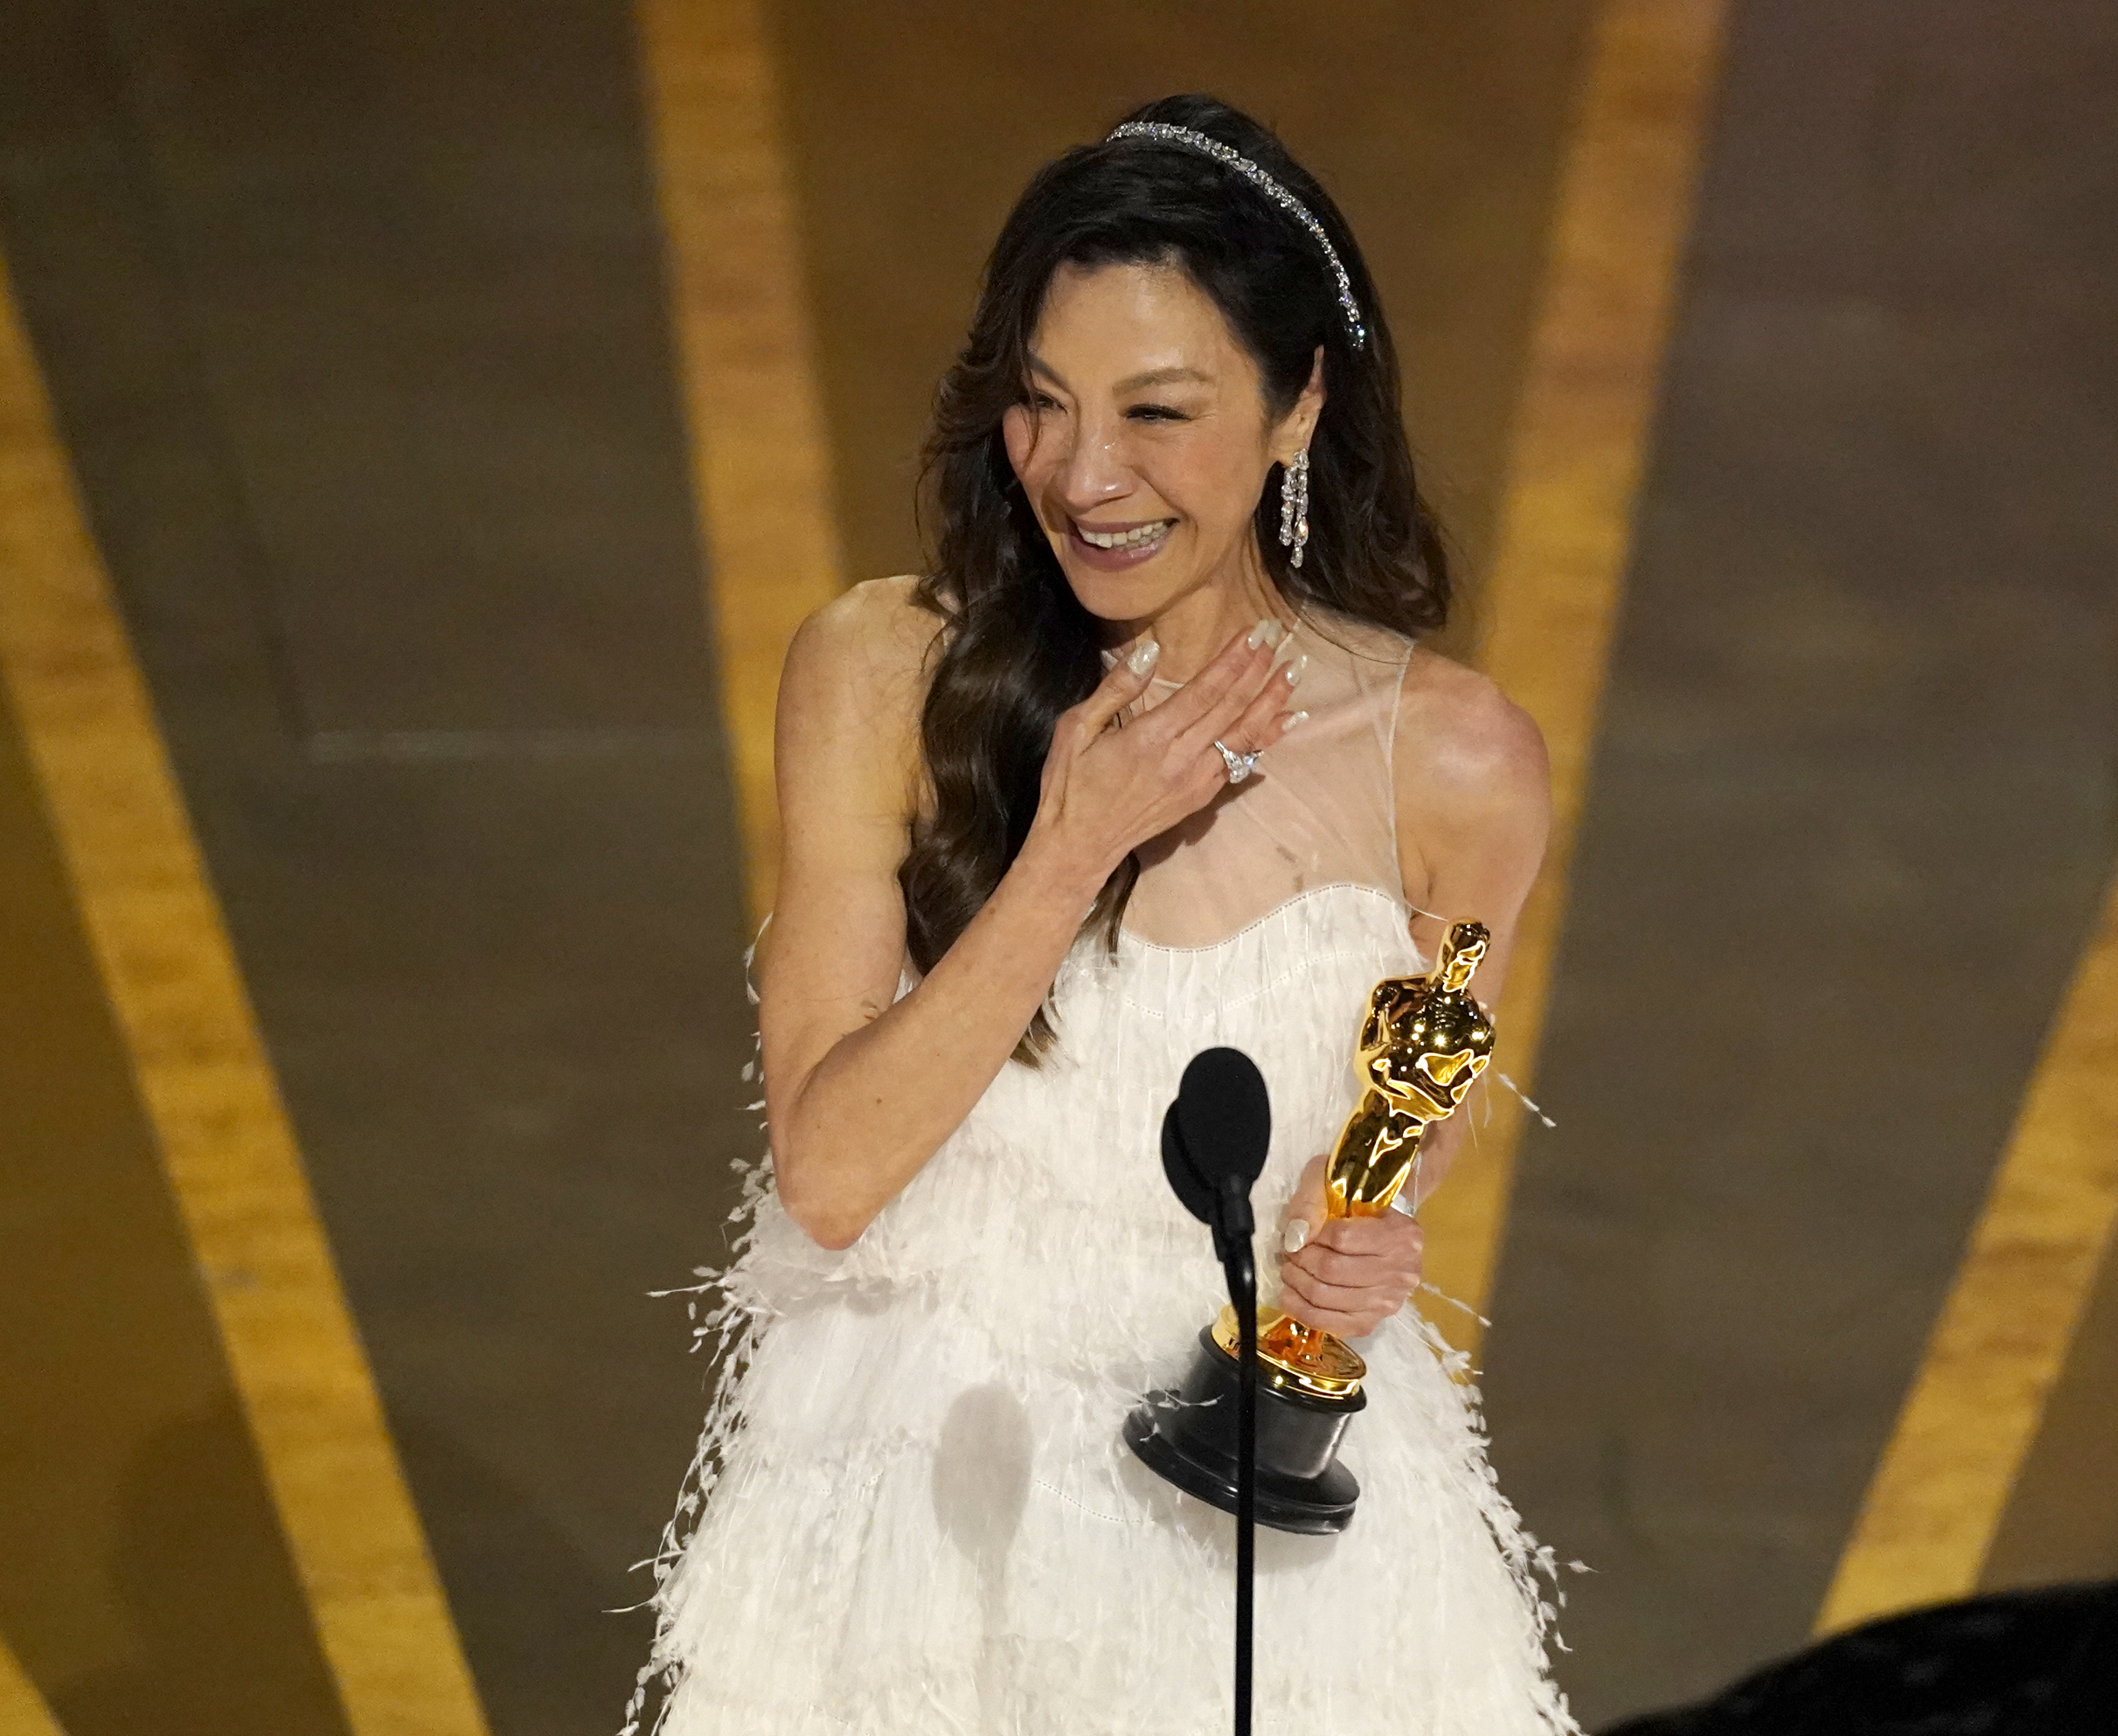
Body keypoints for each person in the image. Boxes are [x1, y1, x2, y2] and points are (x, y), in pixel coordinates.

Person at [630, 93, 1574, 1735]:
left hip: (1265, 1554)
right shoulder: (879, 674)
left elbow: (1396, 1139)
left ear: (1298, 408)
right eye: (1044, 406)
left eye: (1157, 412)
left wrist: (1361, 1258)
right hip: (918, 1508)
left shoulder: (1461, 765)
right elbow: (831, 1171)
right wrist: (1069, 851)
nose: (1084, 475)